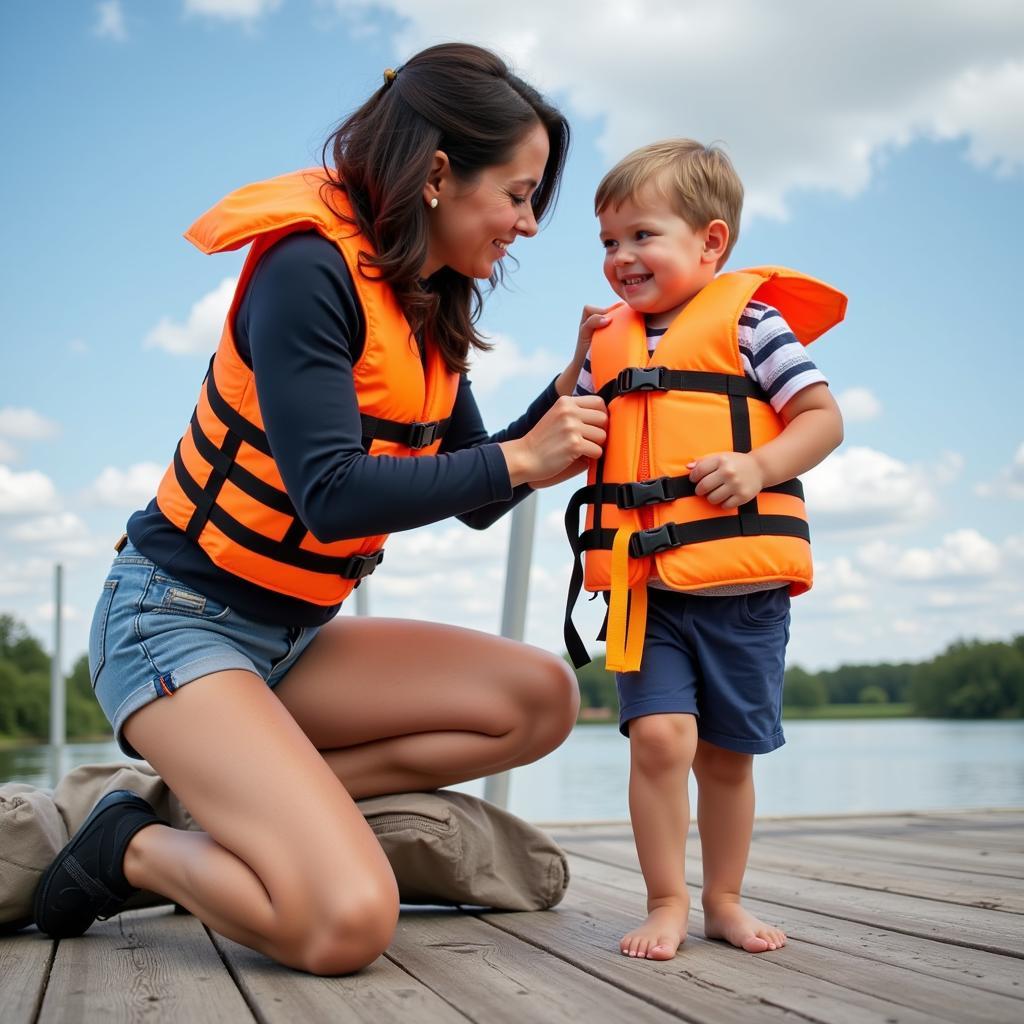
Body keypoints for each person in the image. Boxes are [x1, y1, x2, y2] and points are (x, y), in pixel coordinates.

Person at [33, 43, 608, 975]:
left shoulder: (428, 299)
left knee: (542, 699)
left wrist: (566, 396)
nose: (530, 224)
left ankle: (210, 805)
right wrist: (518, 458)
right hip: (174, 627)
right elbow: (331, 497)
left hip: (294, 639)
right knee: (343, 924)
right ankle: (132, 849)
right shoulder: (309, 269)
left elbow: (475, 491)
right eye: (518, 192)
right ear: (436, 175)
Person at [564, 139, 846, 959]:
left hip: (743, 596)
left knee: (726, 758)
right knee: (659, 740)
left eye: (641, 236)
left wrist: (760, 465)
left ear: (710, 242)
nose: (622, 257)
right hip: (644, 591)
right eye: (609, 242)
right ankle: (665, 900)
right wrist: (575, 369)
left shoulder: (755, 325)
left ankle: (724, 898)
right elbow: (570, 435)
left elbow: (823, 419)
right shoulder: (609, 343)